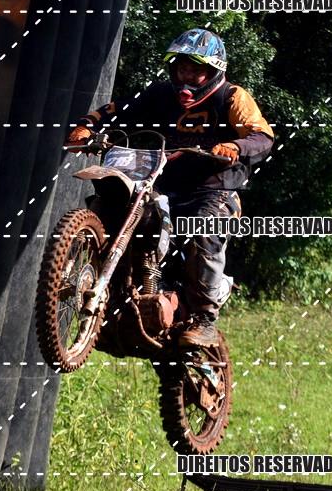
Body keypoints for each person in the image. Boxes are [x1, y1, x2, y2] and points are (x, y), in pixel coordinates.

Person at [65, 28, 275, 348]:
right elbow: (118, 109)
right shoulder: (160, 94)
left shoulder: (232, 97)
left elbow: (263, 136)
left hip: (214, 190)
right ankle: (111, 287)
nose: (186, 78)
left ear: (213, 72)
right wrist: (87, 127)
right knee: (117, 208)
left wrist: (235, 146)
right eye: (181, 69)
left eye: (195, 71)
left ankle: (205, 318)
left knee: (203, 229)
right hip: (162, 182)